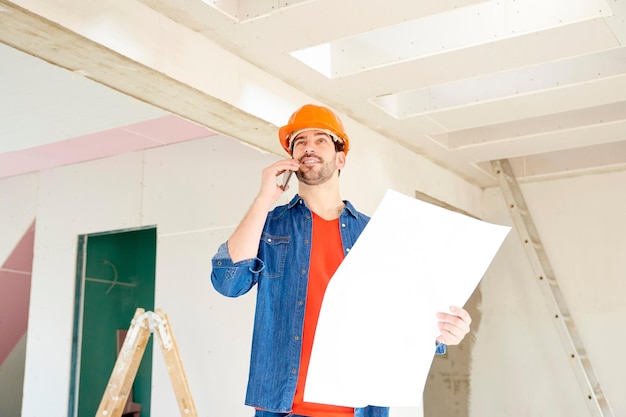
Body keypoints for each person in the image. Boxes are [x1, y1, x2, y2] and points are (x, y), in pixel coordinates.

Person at [211, 104, 472, 417]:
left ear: (341, 157)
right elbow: (229, 283)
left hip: (359, 407)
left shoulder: (378, 233)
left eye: (321, 139)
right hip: (283, 408)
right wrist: (264, 198)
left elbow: (404, 316)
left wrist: (441, 332)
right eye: (300, 141)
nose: (309, 146)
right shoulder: (269, 226)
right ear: (292, 158)